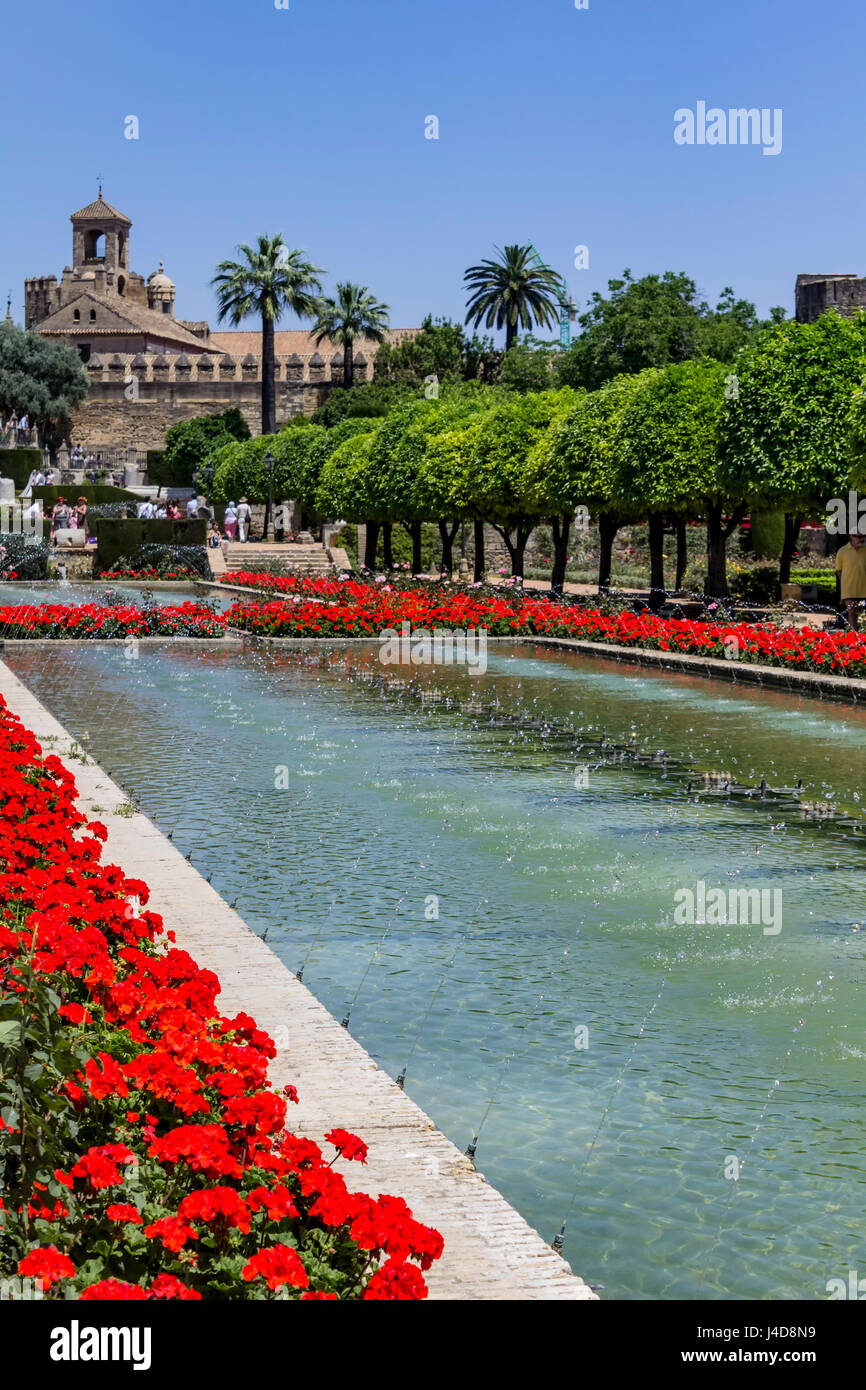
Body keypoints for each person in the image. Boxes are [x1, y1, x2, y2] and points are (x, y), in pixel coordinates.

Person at [836, 529, 866, 631]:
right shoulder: (842, 552)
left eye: (863, 536)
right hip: (849, 590)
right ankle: (853, 637)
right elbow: (839, 571)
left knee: (863, 615)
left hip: (864, 590)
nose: (861, 539)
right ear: (851, 537)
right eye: (858, 537)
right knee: (852, 612)